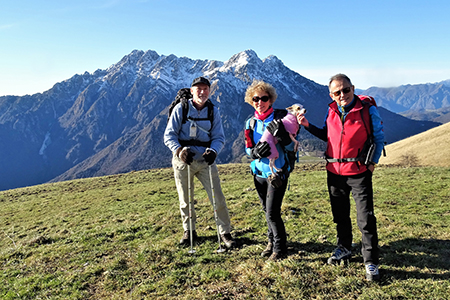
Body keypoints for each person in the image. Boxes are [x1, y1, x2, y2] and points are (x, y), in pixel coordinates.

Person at [297, 74, 384, 281]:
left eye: (346, 90)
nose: (342, 94)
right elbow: (327, 136)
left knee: (366, 218)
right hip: (334, 173)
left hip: (359, 173)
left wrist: (372, 165)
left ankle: (370, 261)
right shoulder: (332, 110)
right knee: (340, 215)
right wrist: (307, 125)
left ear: (353, 88)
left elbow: (379, 137)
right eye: (337, 92)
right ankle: (344, 248)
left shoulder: (366, 109)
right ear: (331, 95)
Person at [164, 76, 236, 249]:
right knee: (185, 199)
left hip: (205, 159)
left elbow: (219, 137)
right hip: (183, 159)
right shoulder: (181, 109)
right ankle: (189, 231)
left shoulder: (213, 111)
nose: (202, 92)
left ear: (210, 91)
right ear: (191, 91)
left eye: (205, 89)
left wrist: (214, 151)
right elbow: (169, 135)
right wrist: (179, 151)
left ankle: (224, 232)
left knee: (217, 197)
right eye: (198, 89)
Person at [244, 80, 298, 261]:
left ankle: (280, 248)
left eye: (264, 98)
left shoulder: (281, 120)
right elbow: (247, 148)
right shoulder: (250, 123)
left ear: (271, 100)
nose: (260, 102)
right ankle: (271, 241)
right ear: (251, 101)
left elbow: (292, 147)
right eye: (256, 99)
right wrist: (253, 152)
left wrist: (283, 137)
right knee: (266, 209)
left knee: (273, 212)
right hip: (258, 173)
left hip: (277, 173)